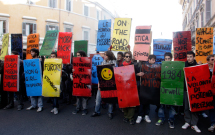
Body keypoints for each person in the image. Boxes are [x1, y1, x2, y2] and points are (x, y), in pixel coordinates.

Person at [91, 50, 117, 119]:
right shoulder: (102, 62)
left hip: (111, 83)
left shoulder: (114, 63)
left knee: (110, 99)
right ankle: (97, 111)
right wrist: (99, 84)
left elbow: (116, 74)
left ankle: (110, 112)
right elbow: (100, 75)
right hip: (102, 83)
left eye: (105, 55)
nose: (104, 56)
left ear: (109, 56)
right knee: (98, 98)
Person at [155, 52, 176, 128]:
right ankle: (161, 118)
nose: (167, 60)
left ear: (171, 59)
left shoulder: (175, 67)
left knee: (172, 106)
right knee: (161, 105)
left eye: (168, 58)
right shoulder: (161, 66)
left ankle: (171, 120)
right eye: (166, 58)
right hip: (163, 89)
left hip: (172, 89)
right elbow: (157, 77)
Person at [181, 51, 201, 133]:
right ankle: (187, 122)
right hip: (186, 89)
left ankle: (194, 124)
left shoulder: (198, 65)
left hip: (195, 90)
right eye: (188, 57)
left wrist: (200, 67)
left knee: (194, 107)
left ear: (194, 57)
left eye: (190, 56)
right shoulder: (183, 65)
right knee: (186, 107)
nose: (189, 58)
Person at [136, 55, 157, 124]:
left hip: (150, 87)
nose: (154, 61)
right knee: (141, 102)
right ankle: (140, 115)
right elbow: (133, 73)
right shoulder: (141, 66)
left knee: (147, 102)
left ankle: (146, 115)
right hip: (142, 87)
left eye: (154, 60)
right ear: (149, 60)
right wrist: (137, 74)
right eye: (152, 60)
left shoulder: (156, 67)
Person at [120, 51, 136, 125]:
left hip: (132, 87)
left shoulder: (134, 65)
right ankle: (126, 116)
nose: (128, 58)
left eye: (129, 56)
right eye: (126, 56)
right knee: (124, 102)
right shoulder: (120, 65)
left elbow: (135, 74)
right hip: (123, 87)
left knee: (132, 103)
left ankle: (131, 118)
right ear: (124, 57)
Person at [72, 50, 89, 115]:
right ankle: (77, 108)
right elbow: (73, 68)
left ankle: (84, 109)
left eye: (78, 55)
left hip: (85, 80)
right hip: (78, 80)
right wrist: (73, 70)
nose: (77, 56)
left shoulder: (87, 61)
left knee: (84, 96)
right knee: (78, 95)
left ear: (82, 55)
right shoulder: (75, 61)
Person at [207, 55, 215, 132]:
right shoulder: (206, 70)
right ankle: (213, 123)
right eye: (212, 59)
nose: (213, 61)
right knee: (212, 109)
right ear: (208, 61)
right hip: (210, 93)